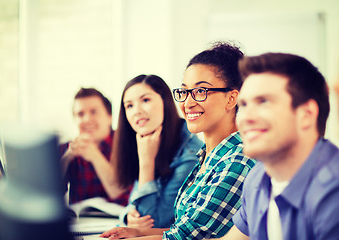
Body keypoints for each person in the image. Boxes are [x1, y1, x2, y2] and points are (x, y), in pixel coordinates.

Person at [100, 42, 257, 240]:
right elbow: (185, 229)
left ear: (231, 99)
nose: (188, 103)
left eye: (201, 91)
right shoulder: (208, 156)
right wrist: (137, 231)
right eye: (184, 92)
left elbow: (186, 239)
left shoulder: (237, 160)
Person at [213, 52, 339, 240]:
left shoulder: (333, 192)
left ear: (307, 114)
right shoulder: (257, 177)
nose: (245, 118)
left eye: (263, 101)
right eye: (244, 104)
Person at [112, 74, 202, 228]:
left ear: (165, 102)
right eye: (129, 106)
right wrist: (127, 216)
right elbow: (134, 203)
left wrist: (146, 163)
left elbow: (154, 222)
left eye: (145, 100)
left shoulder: (190, 154)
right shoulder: (149, 141)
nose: (136, 111)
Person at [59, 87, 130, 205]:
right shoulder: (67, 149)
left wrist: (94, 156)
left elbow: (121, 194)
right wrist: (67, 158)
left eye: (94, 112)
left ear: (109, 117)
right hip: (82, 221)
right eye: (80, 114)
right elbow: (47, 195)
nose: (87, 119)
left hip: (119, 221)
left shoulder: (126, 143)